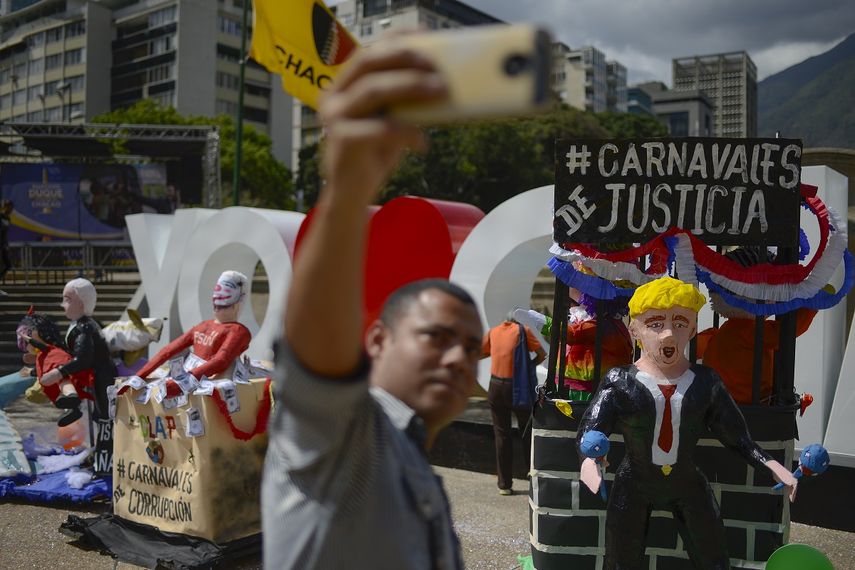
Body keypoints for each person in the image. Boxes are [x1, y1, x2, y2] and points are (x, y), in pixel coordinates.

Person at [261, 46, 481, 569]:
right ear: (378, 338)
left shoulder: (414, 462)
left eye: (473, 347)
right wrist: (350, 186)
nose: (459, 358)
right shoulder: (342, 437)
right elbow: (315, 364)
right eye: (436, 337)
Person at [577, 276, 798, 569]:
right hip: (634, 484)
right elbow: (591, 429)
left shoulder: (706, 382)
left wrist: (773, 466)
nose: (669, 335)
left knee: (713, 557)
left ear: (693, 329)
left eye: (680, 323)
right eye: (656, 324)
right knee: (621, 561)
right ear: (634, 329)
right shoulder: (620, 381)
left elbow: (738, 437)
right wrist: (590, 460)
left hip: (687, 484)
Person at [696, 246, 821, 405]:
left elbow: (699, 344)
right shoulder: (753, 332)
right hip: (749, 402)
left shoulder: (723, 333)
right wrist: (812, 304)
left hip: (719, 400)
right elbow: (788, 330)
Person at [40, 278, 117, 475]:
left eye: (67, 300)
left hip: (102, 380)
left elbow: (83, 359)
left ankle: (105, 464)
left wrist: (58, 372)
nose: (62, 305)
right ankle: (98, 456)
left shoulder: (85, 328)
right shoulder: (82, 325)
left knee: (105, 421)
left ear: (81, 303)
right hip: (94, 379)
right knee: (99, 420)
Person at [516, 287, 633, 402]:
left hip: (587, 390)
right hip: (576, 386)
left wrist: (543, 322)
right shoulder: (605, 322)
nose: (570, 306)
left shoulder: (602, 325)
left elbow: (571, 334)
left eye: (573, 302)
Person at [133, 270, 251, 383]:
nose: (218, 306)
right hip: (204, 383)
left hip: (195, 380)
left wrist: (139, 376)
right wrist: (184, 381)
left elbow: (167, 351)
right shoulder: (236, 330)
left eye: (222, 304)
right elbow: (220, 361)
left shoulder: (208, 327)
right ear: (237, 305)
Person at [481, 311, 546, 494]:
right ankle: (533, 481)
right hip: (518, 387)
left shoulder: (494, 332)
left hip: (495, 387)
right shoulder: (523, 331)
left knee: (502, 435)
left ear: (505, 321)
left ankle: (504, 485)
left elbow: (479, 353)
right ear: (516, 321)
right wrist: (529, 366)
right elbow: (542, 354)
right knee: (527, 432)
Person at [16, 311, 95, 426]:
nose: (25, 347)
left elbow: (38, 345)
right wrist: (30, 372)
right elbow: (41, 369)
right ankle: (73, 409)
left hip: (58, 363)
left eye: (24, 343)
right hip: (55, 370)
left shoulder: (49, 351)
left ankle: (72, 397)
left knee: (63, 381)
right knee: (60, 388)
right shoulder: (42, 357)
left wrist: (27, 338)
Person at [0, 199, 12, 295]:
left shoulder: (8, 218)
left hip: (3, 246)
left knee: (8, 265)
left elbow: (5, 233)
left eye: (11, 207)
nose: (10, 209)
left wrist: (6, 244)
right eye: (8, 207)